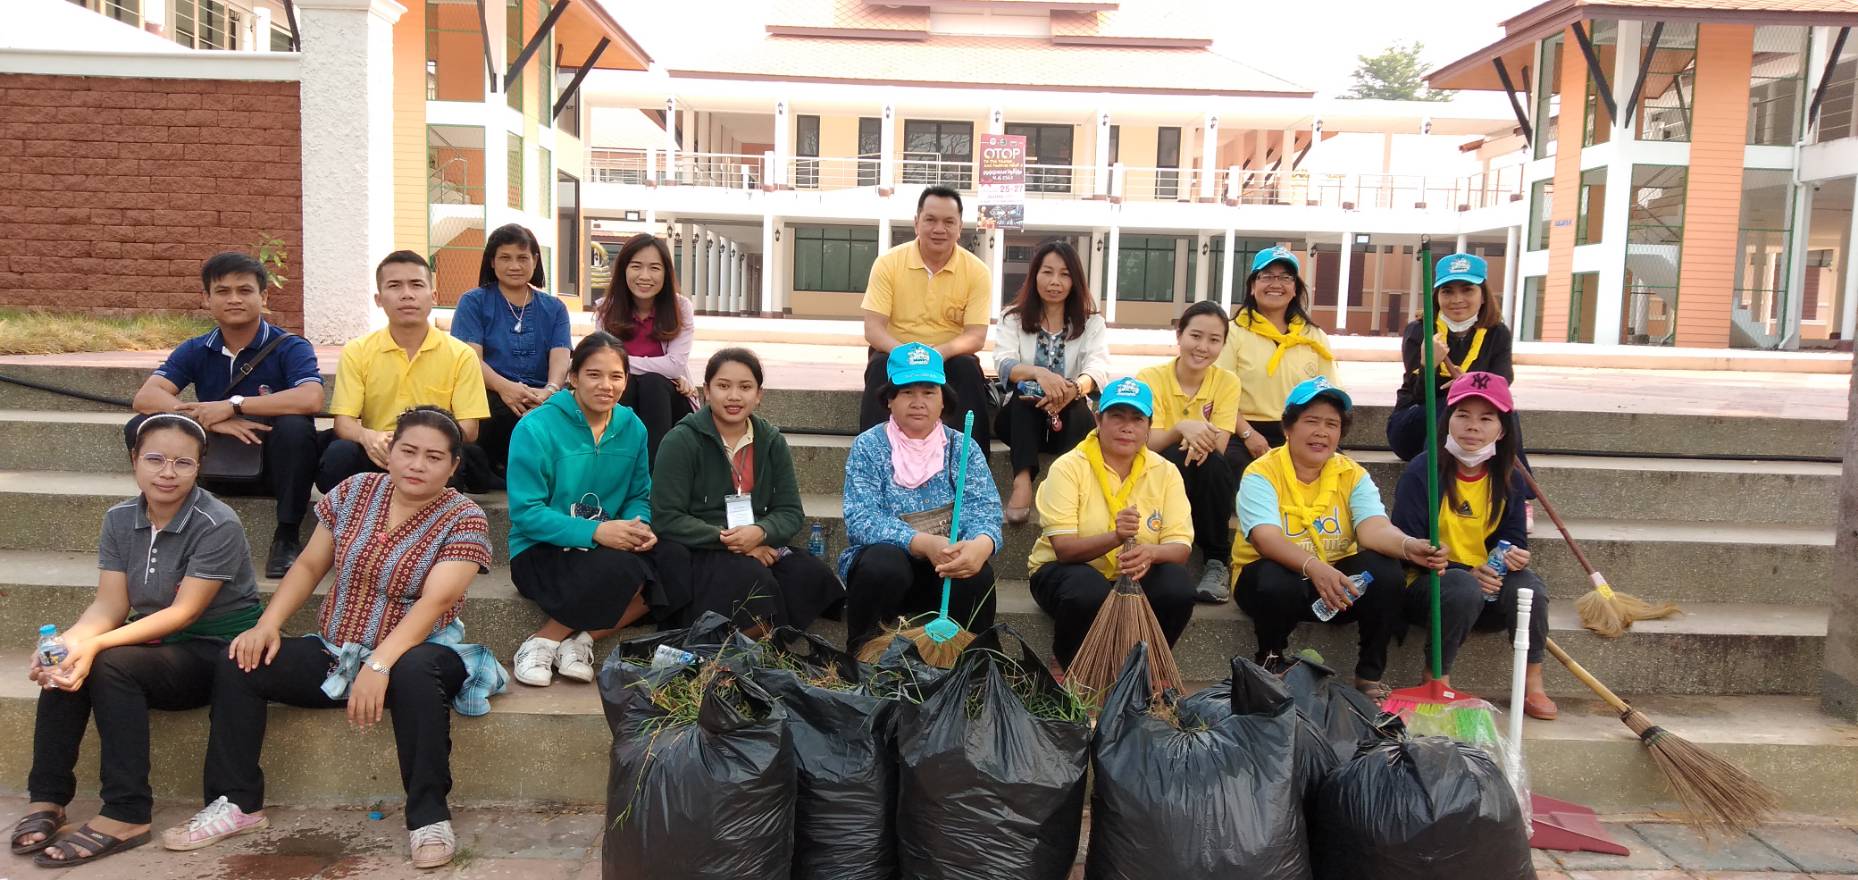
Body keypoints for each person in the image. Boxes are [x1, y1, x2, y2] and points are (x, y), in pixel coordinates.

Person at [203, 406, 503, 870]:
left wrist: (379, 665)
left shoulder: (464, 517)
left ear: (453, 466)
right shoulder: (354, 491)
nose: (417, 465)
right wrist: (267, 624)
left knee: (415, 670)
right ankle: (236, 803)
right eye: (408, 451)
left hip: (422, 652)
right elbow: (309, 565)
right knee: (239, 660)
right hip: (337, 650)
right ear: (389, 451)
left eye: (433, 457)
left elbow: (436, 602)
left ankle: (428, 817)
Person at [11, 415, 261, 867]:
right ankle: (47, 796)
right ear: (134, 459)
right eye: (155, 459)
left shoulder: (217, 522)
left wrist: (95, 647)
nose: (168, 472)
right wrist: (66, 644)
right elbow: (108, 606)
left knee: (106, 661)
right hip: (155, 645)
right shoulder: (120, 518)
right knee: (68, 661)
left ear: (199, 466)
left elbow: (184, 613)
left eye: (183, 463)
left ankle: (127, 812)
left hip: (216, 652)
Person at [1232, 377, 1447, 699]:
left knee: (1386, 570)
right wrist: (1314, 567)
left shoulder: (1352, 473)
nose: (1322, 432)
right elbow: (1266, 539)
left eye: (1331, 424)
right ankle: (1271, 660)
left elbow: (1373, 528)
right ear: (1288, 427)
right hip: (1274, 584)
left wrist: (1408, 546)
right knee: (1273, 578)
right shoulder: (1261, 473)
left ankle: (1369, 675)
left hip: (1336, 588)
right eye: (1311, 421)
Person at [505, 333, 684, 687]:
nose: (606, 385)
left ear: (626, 380)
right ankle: (542, 641)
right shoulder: (536, 427)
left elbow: (639, 494)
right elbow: (526, 512)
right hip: (541, 550)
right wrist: (597, 531)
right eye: (594, 374)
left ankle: (582, 639)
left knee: (675, 558)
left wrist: (637, 526)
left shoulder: (632, 427)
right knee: (622, 568)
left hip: (606, 545)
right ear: (573, 377)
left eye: (616, 376)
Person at [128, 252, 323, 578]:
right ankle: (165, 523)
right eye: (222, 291)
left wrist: (234, 405)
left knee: (295, 427)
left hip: (275, 469)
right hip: (215, 464)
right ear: (206, 298)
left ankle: (287, 536)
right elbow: (146, 396)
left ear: (264, 297)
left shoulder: (290, 346)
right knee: (143, 426)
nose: (234, 299)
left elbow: (311, 397)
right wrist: (209, 418)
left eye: (244, 290)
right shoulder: (196, 348)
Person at [1391, 372, 1556, 720]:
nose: (1473, 427)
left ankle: (1532, 683)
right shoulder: (1423, 470)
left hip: (1486, 585)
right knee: (1461, 586)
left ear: (1503, 430)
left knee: (1530, 588)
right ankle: (1436, 677)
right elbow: (1408, 547)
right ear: (1447, 420)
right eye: (1462, 415)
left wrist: (1514, 556)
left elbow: (1513, 538)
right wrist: (1465, 571)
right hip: (1430, 587)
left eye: (1486, 419)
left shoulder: (1509, 477)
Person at [652, 347, 845, 632]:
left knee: (809, 574)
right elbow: (667, 517)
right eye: (723, 386)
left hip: (756, 539)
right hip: (701, 545)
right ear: (706, 391)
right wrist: (731, 541)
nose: (734, 396)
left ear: (759, 395)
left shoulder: (771, 441)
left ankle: (756, 641)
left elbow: (790, 511)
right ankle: (726, 647)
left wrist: (760, 532)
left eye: (745, 387)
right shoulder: (681, 440)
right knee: (753, 579)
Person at [840, 343, 1003, 652]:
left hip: (944, 568)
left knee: (975, 574)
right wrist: (922, 542)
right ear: (889, 400)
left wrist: (982, 544)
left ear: (943, 400)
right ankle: (863, 659)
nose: (918, 403)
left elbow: (985, 510)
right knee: (882, 565)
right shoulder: (869, 446)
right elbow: (861, 518)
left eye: (929, 392)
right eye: (906, 393)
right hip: (890, 569)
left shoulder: (962, 447)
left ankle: (971, 665)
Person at [1027, 377, 1195, 668]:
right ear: (1098, 419)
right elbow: (1064, 550)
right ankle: (1070, 666)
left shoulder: (1166, 472)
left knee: (1177, 585)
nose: (1127, 427)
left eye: (1137, 419)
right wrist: (1115, 537)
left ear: (1149, 427)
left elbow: (1180, 547)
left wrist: (1151, 553)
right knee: (1089, 590)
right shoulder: (1068, 467)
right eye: (1117, 416)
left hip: (1132, 575)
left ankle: (1149, 668)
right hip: (1065, 571)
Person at [321, 251, 493, 493]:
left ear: (433, 296)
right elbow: (344, 423)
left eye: (416, 285)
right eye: (394, 286)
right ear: (379, 299)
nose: (407, 294)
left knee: (453, 458)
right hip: (380, 450)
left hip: (432, 451)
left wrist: (418, 445)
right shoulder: (357, 351)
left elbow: (469, 429)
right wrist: (368, 437)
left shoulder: (461, 354)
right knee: (339, 455)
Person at [857, 186, 994, 451]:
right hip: (896, 352)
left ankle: (970, 465)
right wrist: (908, 354)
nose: (939, 229)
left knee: (967, 369)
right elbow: (873, 329)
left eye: (948, 222)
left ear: (959, 228)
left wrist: (937, 354)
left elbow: (976, 336)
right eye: (930, 219)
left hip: (948, 357)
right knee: (879, 367)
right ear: (916, 223)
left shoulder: (977, 271)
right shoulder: (888, 263)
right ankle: (871, 458)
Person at [993, 239, 1110, 525]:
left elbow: (1098, 368)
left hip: (1069, 418)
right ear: (1035, 276)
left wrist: (1074, 388)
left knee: (1078, 406)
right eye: (1047, 272)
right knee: (1024, 399)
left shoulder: (1091, 323)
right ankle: (1022, 482)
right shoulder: (1013, 318)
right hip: (1020, 420)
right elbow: (1004, 363)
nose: (1054, 281)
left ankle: (1065, 489)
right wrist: (1039, 374)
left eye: (1064, 274)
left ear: (1075, 281)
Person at [1134, 300, 1242, 604]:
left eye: (1214, 339)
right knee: (1173, 457)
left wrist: (1193, 436)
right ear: (1179, 334)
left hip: (1203, 473)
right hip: (1156, 474)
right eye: (1195, 336)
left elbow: (1219, 446)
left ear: (1223, 344)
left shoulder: (1227, 382)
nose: (1203, 347)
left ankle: (1216, 561)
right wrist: (1182, 427)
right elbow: (1145, 443)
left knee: (1214, 464)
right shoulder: (1150, 378)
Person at [450, 223, 572, 474]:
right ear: (492, 261)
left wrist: (549, 391)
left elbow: (561, 357)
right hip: (491, 394)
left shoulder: (555, 308)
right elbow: (469, 359)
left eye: (522, 258)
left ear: (535, 260)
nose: (514, 266)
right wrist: (505, 388)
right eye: (505, 258)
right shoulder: (473, 302)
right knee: (497, 412)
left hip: (542, 396)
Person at [1217, 245, 1338, 469]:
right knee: (1235, 466)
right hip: (1243, 430)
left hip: (1301, 429)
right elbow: (1219, 393)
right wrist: (1248, 434)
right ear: (1252, 286)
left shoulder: (1313, 335)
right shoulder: (1232, 332)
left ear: (1295, 289)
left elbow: (1329, 394)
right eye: (1267, 276)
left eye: (1285, 277)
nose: (1276, 284)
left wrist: (1308, 433)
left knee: (1337, 469)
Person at [1387, 253, 1513, 462]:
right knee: (1447, 405)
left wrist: (1467, 384)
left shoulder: (1498, 333)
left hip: (1474, 424)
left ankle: (1517, 483)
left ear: (1483, 296)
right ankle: (1432, 477)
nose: (1457, 300)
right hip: (1414, 425)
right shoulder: (1419, 330)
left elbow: (1501, 385)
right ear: (1437, 296)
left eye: (1467, 290)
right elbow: (1419, 395)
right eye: (1447, 291)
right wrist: (1428, 366)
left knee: (1509, 415)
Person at [596, 232, 696, 463]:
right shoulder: (606, 309)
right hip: (622, 395)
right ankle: (617, 467)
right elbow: (601, 363)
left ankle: (655, 473)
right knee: (626, 384)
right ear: (623, 269)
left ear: (666, 273)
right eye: (636, 266)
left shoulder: (681, 308)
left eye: (654, 268)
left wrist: (621, 362)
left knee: (652, 383)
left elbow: (674, 365)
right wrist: (664, 370)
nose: (645, 276)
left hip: (670, 402)